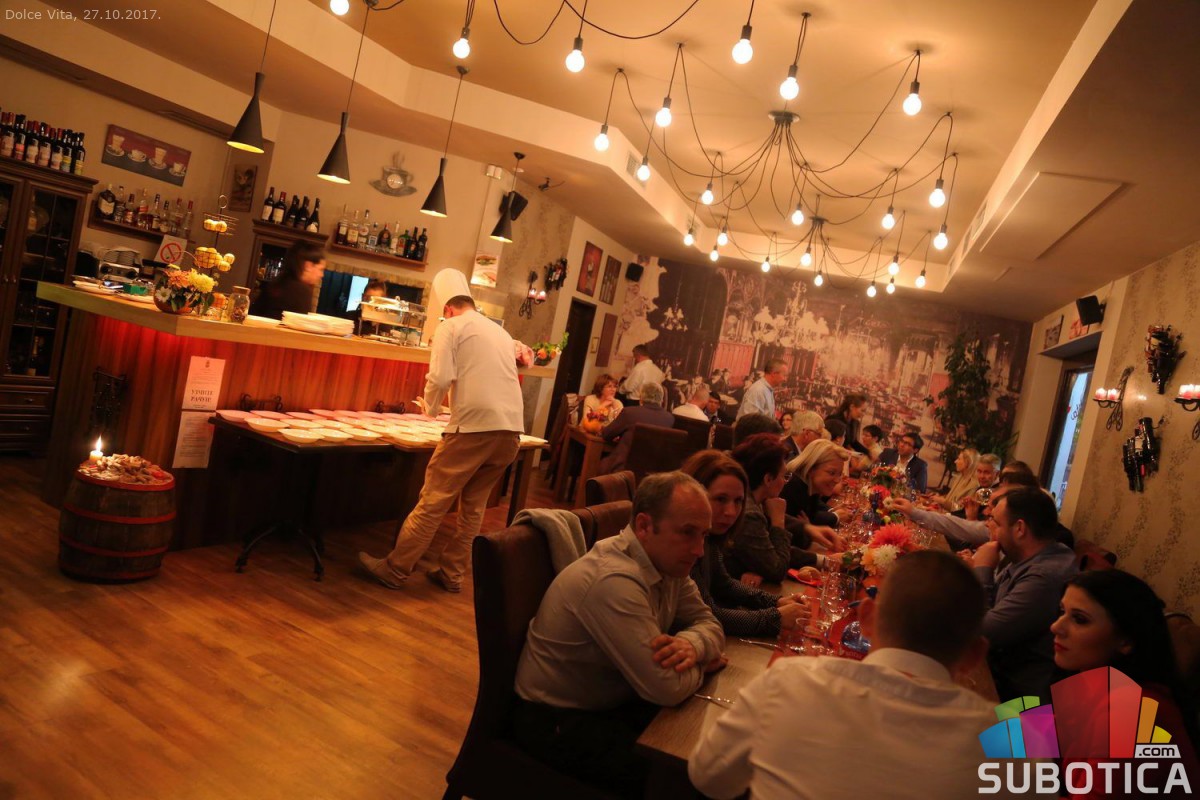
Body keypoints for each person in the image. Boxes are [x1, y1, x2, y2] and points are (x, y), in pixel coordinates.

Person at [689, 551, 996, 800]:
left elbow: (707, 777)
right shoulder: (1010, 739)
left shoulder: (786, 680)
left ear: (866, 617)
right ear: (976, 655)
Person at [513, 472, 726, 797]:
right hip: (556, 721)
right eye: (687, 533)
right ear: (644, 526)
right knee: (690, 778)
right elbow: (666, 688)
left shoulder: (668, 563)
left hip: (611, 702)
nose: (699, 549)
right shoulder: (614, 580)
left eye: (704, 535)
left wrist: (693, 644)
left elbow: (709, 623)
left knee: (713, 749)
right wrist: (704, 663)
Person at [357, 295, 523, 592]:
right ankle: (452, 573)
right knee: (474, 507)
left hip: (473, 428)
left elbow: (441, 376)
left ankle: (395, 569)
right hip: (511, 431)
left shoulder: (451, 326)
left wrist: (430, 409)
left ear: (448, 310)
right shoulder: (500, 331)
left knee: (433, 502)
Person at [1051, 570, 1200, 792]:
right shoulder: (1093, 682)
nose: (1055, 627)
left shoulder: (1133, 711)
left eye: (1080, 619)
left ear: (1126, 640)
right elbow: (1045, 736)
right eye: (1062, 612)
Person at [682, 450, 809, 637]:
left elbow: (724, 583)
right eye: (721, 499)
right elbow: (710, 614)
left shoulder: (710, 537)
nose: (731, 512)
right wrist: (776, 617)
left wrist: (776, 601)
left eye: (738, 501)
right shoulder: (684, 544)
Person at [973, 486, 1078, 701]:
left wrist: (983, 569)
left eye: (996, 523)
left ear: (1020, 528)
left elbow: (982, 632)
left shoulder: (1044, 577)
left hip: (1017, 698)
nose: (989, 527)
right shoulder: (1029, 556)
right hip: (999, 673)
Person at [725, 434, 833, 585]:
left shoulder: (758, 501)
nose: (785, 482)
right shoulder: (750, 514)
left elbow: (769, 551)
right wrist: (778, 522)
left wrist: (825, 560)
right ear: (768, 479)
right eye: (784, 476)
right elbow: (777, 569)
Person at [598, 382, 674, 473]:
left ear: (641, 397)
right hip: (651, 472)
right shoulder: (669, 419)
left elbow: (606, 434)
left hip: (622, 469)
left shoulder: (629, 412)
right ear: (661, 400)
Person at [781, 438, 848, 529]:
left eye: (839, 474)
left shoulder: (810, 489)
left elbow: (812, 516)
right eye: (831, 473)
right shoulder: (792, 489)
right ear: (810, 469)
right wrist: (807, 529)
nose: (837, 480)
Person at [249, 241, 325, 319]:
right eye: (320, 269)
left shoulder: (278, 283)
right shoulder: (300, 291)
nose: (322, 275)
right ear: (308, 266)